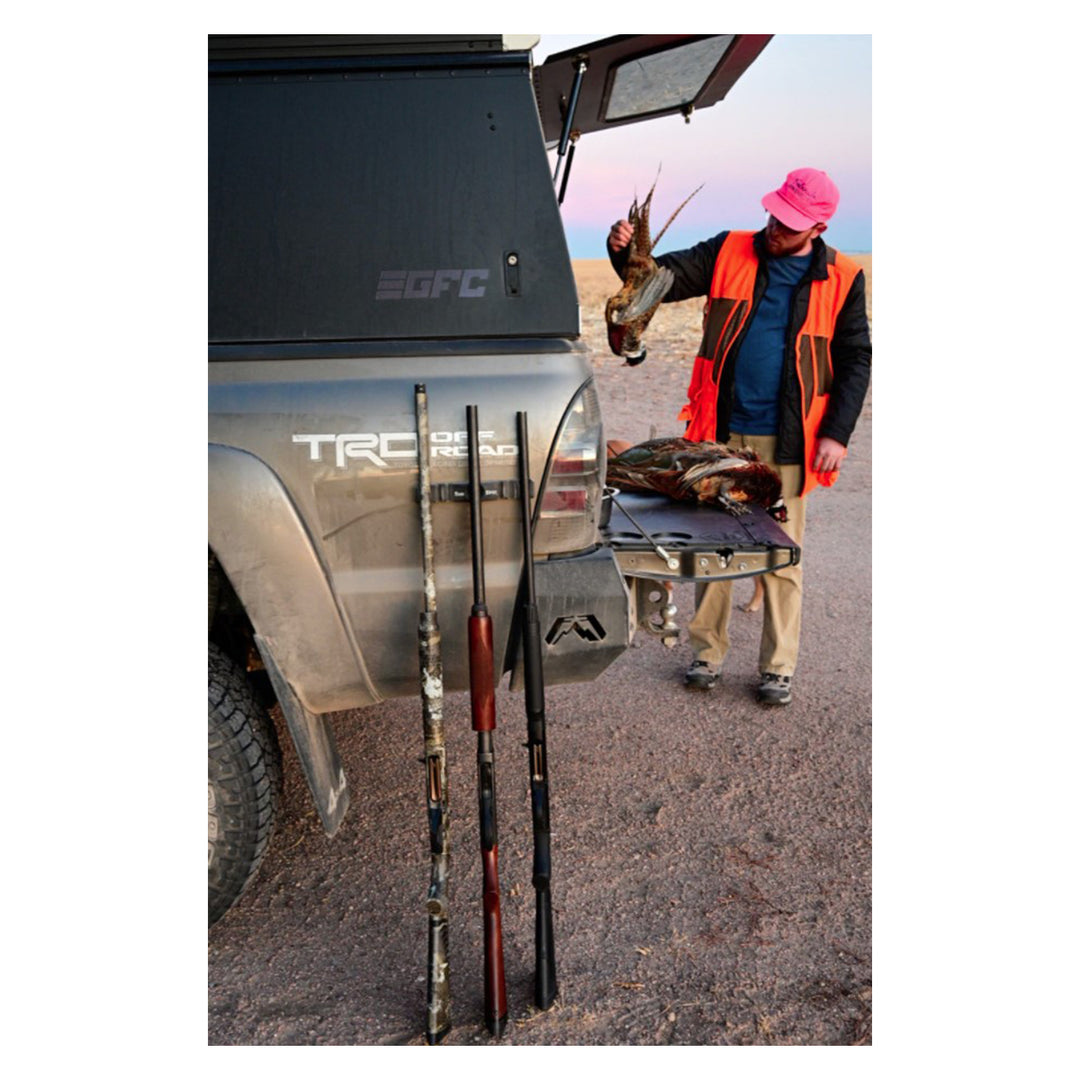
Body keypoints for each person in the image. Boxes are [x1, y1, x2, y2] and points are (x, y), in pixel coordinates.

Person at [606, 167, 871, 705]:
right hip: (720, 432)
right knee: (713, 547)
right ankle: (707, 654)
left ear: (818, 228)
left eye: (790, 224)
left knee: (782, 552)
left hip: (791, 439)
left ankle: (778, 667)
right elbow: (657, 280)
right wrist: (625, 253)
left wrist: (837, 433)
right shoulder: (728, 249)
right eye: (774, 215)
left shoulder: (844, 277)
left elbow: (855, 358)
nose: (776, 228)